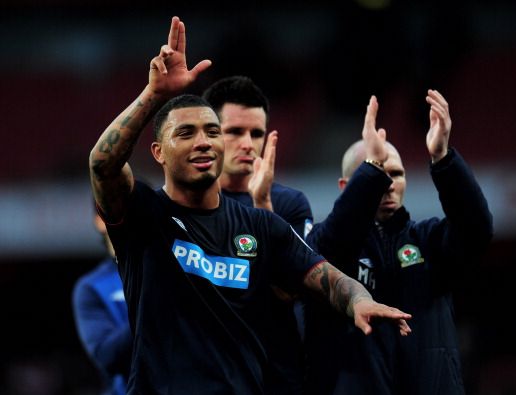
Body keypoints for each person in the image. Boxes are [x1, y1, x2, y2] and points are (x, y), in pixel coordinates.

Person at [88, 16, 411, 394]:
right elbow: (102, 163)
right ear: (158, 152)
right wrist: (154, 96)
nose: (204, 142)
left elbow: (329, 279)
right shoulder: (144, 215)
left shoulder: (261, 226)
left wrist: (358, 299)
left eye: (212, 131)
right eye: (186, 133)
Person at [303, 92, 493, 394]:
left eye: (396, 174)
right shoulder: (325, 242)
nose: (389, 184)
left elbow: (477, 229)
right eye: (378, 172)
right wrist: (371, 171)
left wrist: (443, 159)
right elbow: (331, 247)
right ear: (346, 185)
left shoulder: (429, 240)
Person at [203, 76, 313, 393]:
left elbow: (288, 290)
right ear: (210, 134)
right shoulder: (182, 207)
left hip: (274, 376)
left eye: (257, 133)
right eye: (235, 132)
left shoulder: (290, 204)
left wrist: (262, 204)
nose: (248, 144)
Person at [72, 213, 132, 395]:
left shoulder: (177, 268)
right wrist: (152, 306)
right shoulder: (92, 286)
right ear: (100, 220)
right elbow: (106, 356)